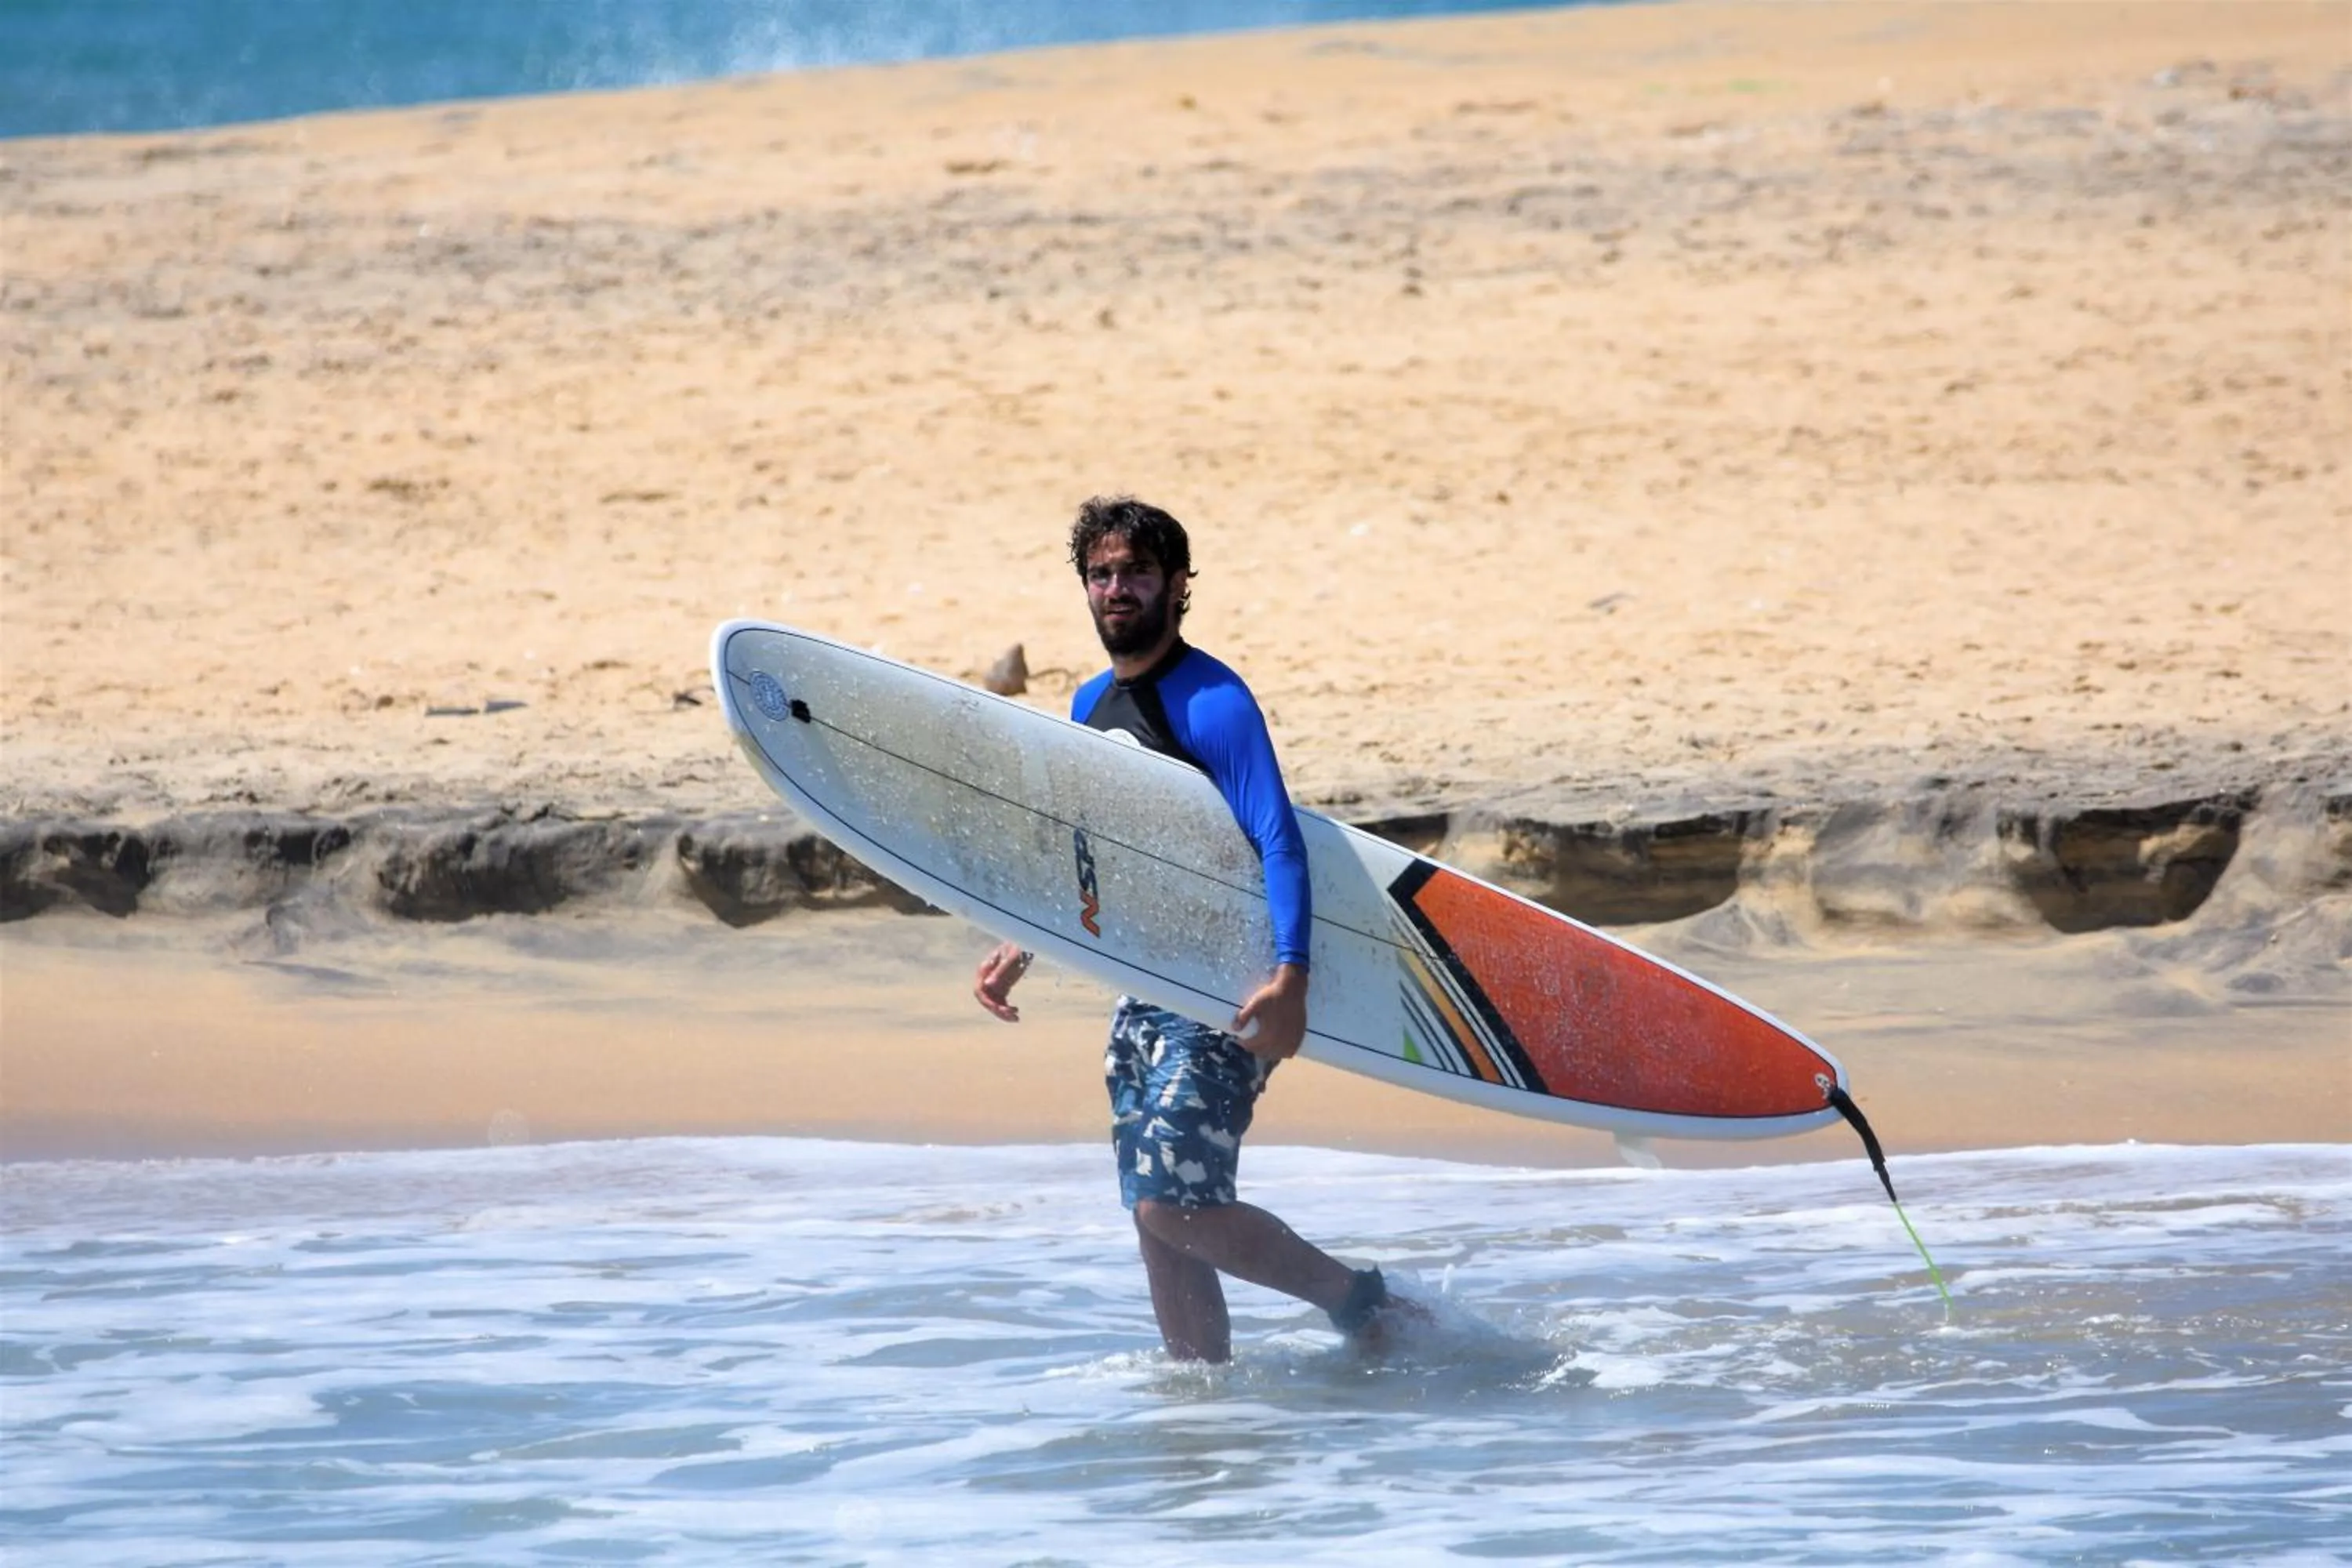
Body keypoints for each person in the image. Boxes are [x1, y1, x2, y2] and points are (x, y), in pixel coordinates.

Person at [971, 495, 1412, 1363]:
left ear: (1177, 584)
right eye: (1100, 574)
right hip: (1147, 984)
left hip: (1229, 987)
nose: (1115, 589)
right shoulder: (1092, 702)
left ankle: (1366, 1307)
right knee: (1155, 1215)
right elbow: (1090, 849)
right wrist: (1026, 942)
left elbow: (1276, 837)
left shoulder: (1213, 701)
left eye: (1135, 571)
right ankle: (1200, 1405)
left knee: (1171, 1202)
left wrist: (1291, 975)